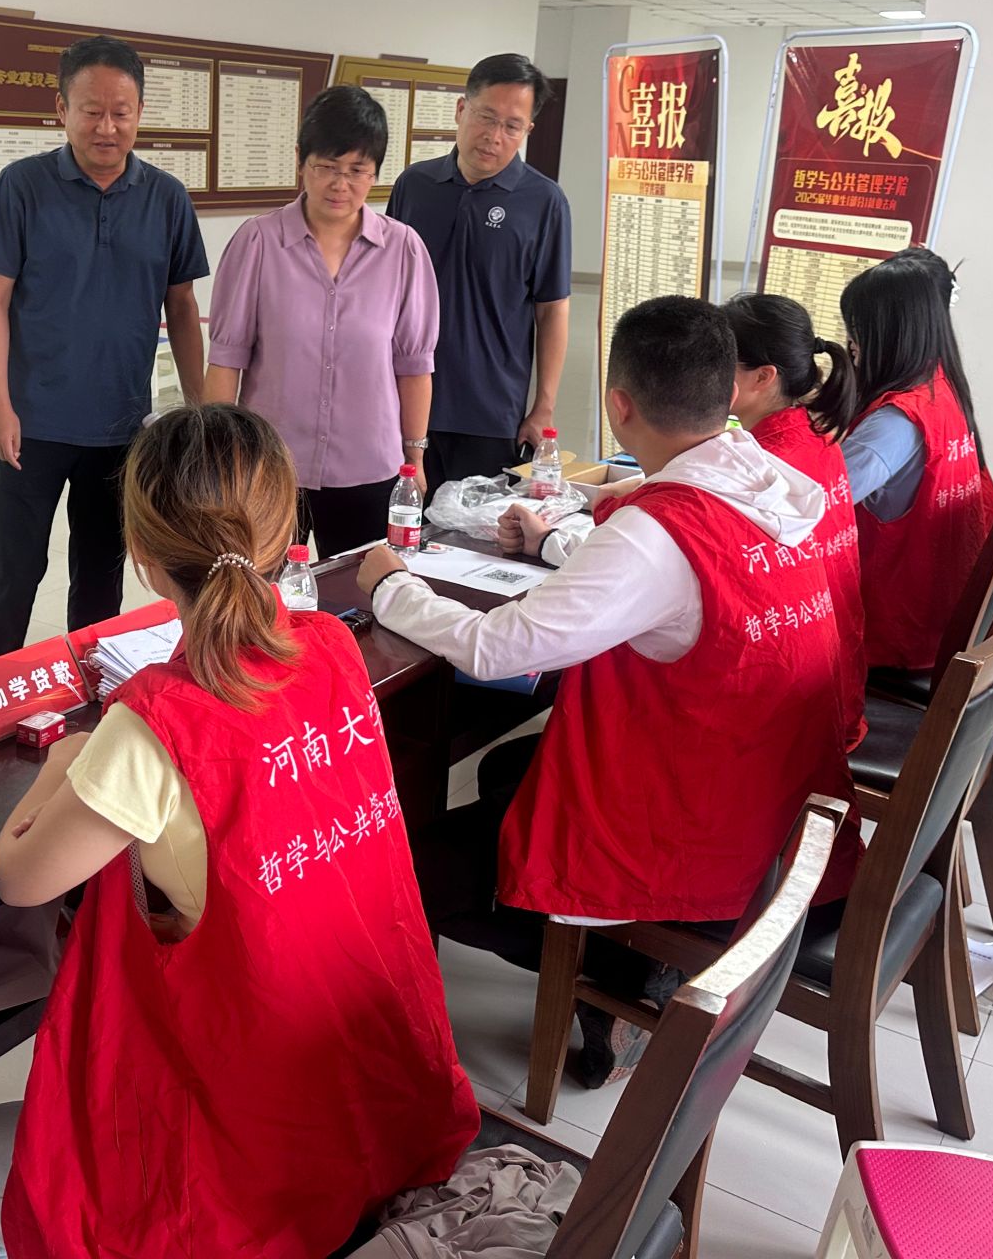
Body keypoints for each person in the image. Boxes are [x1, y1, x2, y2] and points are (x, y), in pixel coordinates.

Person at [0, 405, 477, 1259]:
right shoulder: (333, 649)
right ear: (286, 528)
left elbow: (21, 876)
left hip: (249, 1162)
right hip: (374, 1102)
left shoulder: (156, 724)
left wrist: (66, 761)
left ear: (141, 552)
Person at [357, 296, 860, 1078]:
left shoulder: (659, 532)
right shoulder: (771, 484)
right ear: (728, 395)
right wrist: (560, 542)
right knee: (508, 770)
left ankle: (616, 977)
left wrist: (392, 588)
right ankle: (614, 973)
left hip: (703, 841)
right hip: (776, 812)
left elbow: (497, 647)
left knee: (404, 868)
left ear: (619, 406)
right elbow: (658, 581)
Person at [0, 35, 208, 661]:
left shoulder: (167, 198)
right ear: (62, 109)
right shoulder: (22, 186)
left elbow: (182, 307)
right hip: (32, 425)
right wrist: (0, 406)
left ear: (139, 112)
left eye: (121, 112)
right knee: (14, 572)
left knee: (101, 576)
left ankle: (91, 688)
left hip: (121, 428)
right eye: (91, 111)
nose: (107, 127)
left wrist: (199, 409)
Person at [205, 86, 437, 554]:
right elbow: (227, 360)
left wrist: (414, 455)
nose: (340, 184)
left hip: (368, 467)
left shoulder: (404, 250)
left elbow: (414, 365)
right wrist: (217, 458)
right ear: (300, 160)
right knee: (260, 588)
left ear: (375, 172)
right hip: (270, 467)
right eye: (327, 167)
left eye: (357, 171)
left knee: (359, 591)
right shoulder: (258, 242)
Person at [385, 53, 571, 491]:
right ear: (461, 109)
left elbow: (552, 310)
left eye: (512, 126)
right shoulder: (414, 185)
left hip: (490, 412)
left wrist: (543, 406)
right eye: (486, 117)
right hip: (403, 398)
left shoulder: (544, 202)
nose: (494, 136)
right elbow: (386, 290)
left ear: (527, 130)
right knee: (399, 522)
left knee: (474, 530)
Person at [828, 258, 993, 672]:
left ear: (889, 334)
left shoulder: (895, 423)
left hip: (896, 628)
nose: (851, 343)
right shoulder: (941, 389)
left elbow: (815, 504)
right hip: (942, 613)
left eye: (858, 329)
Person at [722, 292, 865, 752]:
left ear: (764, 377)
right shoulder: (815, 434)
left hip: (795, 709)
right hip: (834, 676)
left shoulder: (764, 466)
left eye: (720, 361)